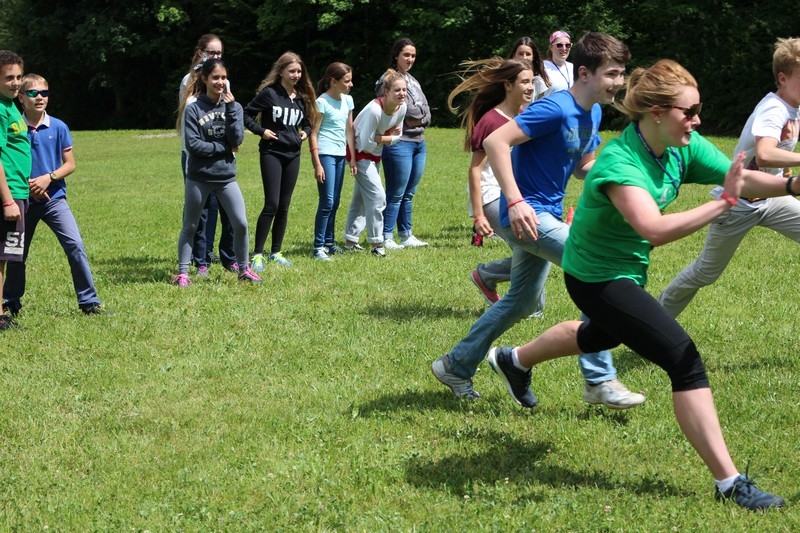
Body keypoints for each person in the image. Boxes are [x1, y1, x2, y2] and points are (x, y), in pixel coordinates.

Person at [487, 59, 790, 511]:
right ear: (655, 111)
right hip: (595, 276)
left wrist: (794, 184)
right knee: (683, 359)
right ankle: (730, 483)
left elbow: (742, 178)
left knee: (596, 335)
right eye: (689, 112)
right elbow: (655, 228)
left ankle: (513, 360)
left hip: (627, 271)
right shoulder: (619, 162)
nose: (697, 120)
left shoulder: (681, 146)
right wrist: (724, 203)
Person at [432, 33, 644, 410]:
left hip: (543, 211)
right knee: (596, 266)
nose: (620, 82)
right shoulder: (555, 107)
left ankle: (455, 365)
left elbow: (583, 166)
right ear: (584, 73)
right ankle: (598, 378)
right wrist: (515, 201)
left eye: (621, 73)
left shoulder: (592, 112)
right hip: (516, 210)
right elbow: (497, 141)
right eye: (613, 73)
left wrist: (623, 179)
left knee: (522, 300)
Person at [658, 37, 800, 317]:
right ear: (783, 78)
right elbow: (765, 154)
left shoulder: (794, 107)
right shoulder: (774, 109)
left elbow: (776, 154)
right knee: (706, 272)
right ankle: (652, 321)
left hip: (771, 198)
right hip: (738, 203)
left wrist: (786, 171)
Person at [3, 74, 107, 317]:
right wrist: (28, 185)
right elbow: (8, 161)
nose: (40, 97)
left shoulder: (58, 127)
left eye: (44, 93)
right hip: (24, 199)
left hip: (54, 199)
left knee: (75, 245)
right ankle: (10, 301)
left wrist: (48, 178)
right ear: (21, 98)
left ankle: (89, 302)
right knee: (17, 252)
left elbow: (69, 164)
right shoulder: (14, 125)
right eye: (33, 93)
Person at [446, 57, 542, 316]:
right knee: (536, 249)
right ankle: (495, 282)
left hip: (513, 195)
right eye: (524, 82)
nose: (530, 87)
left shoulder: (523, 115)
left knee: (533, 251)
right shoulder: (492, 120)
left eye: (532, 81)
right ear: (508, 85)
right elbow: (475, 170)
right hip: (491, 196)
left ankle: (495, 283)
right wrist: (478, 215)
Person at [173, 58, 261, 286]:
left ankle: (244, 269)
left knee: (240, 223)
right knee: (191, 225)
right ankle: (183, 273)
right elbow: (193, 145)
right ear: (204, 79)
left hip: (226, 177)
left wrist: (231, 109)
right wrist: (223, 148)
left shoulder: (235, 107)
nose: (220, 82)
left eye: (223, 77)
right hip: (199, 177)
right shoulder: (193, 109)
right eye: (215, 78)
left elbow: (238, 138)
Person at [244, 51, 317, 269]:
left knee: (284, 206)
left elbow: (308, 121)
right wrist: (261, 131)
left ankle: (276, 251)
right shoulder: (269, 94)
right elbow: (246, 114)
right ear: (281, 71)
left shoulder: (300, 98)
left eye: (299, 71)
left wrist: (304, 132)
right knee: (272, 204)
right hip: (272, 153)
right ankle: (257, 254)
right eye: (292, 71)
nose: (296, 75)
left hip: (293, 154)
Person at [179, 34, 236, 274]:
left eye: (219, 53)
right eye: (211, 53)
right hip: (196, 155)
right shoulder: (188, 83)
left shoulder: (224, 82)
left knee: (224, 209)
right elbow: (187, 125)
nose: (215, 57)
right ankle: (200, 259)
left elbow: (230, 119)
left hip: (223, 155)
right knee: (201, 210)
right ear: (200, 52)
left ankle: (225, 256)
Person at [343, 69, 407, 257]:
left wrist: (382, 138)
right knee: (378, 198)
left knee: (361, 200)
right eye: (397, 90)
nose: (402, 94)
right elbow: (364, 143)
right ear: (386, 92)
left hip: (374, 156)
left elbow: (399, 135)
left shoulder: (402, 108)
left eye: (404, 90)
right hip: (360, 155)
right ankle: (377, 244)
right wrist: (387, 137)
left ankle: (350, 241)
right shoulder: (374, 110)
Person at [375, 38, 431, 249]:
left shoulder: (412, 80)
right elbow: (403, 111)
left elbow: (425, 112)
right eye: (406, 55)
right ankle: (386, 236)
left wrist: (420, 117)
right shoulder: (387, 80)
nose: (410, 59)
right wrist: (419, 116)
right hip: (399, 142)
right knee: (396, 192)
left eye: (413, 55)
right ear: (396, 55)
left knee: (408, 192)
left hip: (419, 142)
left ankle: (406, 234)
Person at [309, 62, 356, 261]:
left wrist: (352, 157)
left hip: (340, 155)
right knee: (327, 201)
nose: (350, 84)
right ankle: (318, 247)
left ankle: (329, 242)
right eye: (346, 81)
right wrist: (317, 163)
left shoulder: (348, 101)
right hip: (326, 154)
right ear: (334, 82)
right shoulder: (322, 102)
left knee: (335, 201)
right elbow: (313, 133)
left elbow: (349, 130)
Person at [0, 50, 30, 331]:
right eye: (9, 77)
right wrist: (8, 200)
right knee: (1, 257)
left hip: (19, 191)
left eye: (19, 76)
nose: (16, 82)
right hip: (8, 195)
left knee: (4, 258)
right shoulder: (0, 108)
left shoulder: (11, 106)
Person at [507, 37, 551, 101]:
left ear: (533, 56)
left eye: (528, 54)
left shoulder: (538, 82)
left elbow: (539, 108)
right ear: (514, 55)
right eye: (520, 54)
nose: (524, 58)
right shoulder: (505, 78)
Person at [542, 30, 573, 97]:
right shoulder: (543, 67)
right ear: (551, 47)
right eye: (559, 45)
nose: (564, 48)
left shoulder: (573, 67)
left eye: (567, 45)